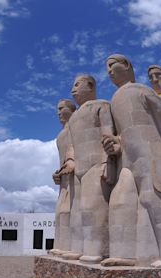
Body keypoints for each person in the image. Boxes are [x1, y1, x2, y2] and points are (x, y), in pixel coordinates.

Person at [101, 54, 161, 267]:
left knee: (157, 201)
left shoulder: (142, 90)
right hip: (127, 159)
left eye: (111, 65)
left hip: (152, 152)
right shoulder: (115, 99)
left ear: (126, 65)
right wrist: (116, 143)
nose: (108, 72)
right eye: (106, 68)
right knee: (120, 200)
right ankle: (124, 254)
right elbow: (124, 132)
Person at [61, 74, 116, 263]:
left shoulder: (101, 105)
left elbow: (108, 133)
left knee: (93, 207)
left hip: (96, 164)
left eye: (77, 85)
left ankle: (97, 250)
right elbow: (72, 146)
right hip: (79, 168)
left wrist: (107, 161)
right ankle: (77, 248)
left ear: (90, 86)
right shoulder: (74, 118)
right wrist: (69, 161)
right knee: (77, 212)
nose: (73, 90)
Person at [49, 99, 82, 257]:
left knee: (74, 212)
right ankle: (62, 246)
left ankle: (75, 249)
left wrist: (72, 162)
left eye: (61, 108)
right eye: (58, 109)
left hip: (78, 175)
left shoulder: (77, 126)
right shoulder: (60, 135)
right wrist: (59, 173)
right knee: (61, 213)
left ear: (71, 109)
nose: (58, 112)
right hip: (65, 178)